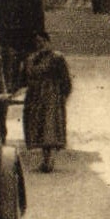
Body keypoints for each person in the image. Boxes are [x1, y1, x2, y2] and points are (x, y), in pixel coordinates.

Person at [23, 32, 72, 173]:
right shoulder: (31, 59)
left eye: (42, 41)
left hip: (51, 96)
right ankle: (45, 159)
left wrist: (62, 96)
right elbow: (26, 77)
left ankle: (49, 160)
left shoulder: (57, 58)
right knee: (38, 126)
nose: (39, 45)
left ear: (47, 42)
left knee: (49, 126)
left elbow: (65, 79)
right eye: (37, 42)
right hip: (35, 96)